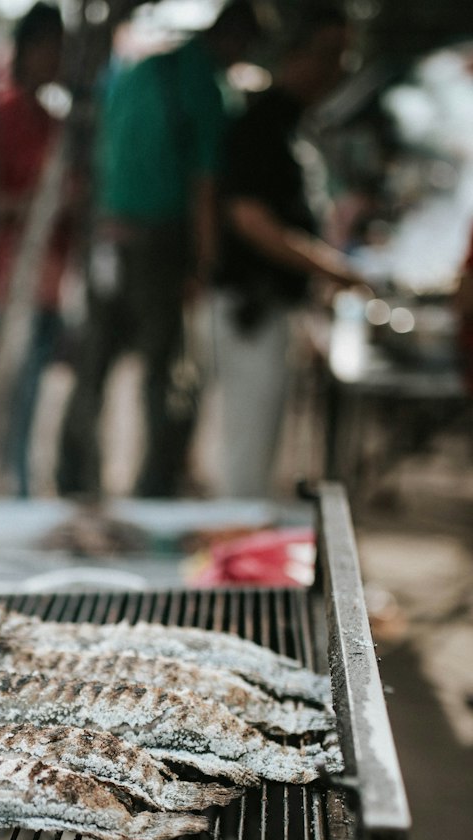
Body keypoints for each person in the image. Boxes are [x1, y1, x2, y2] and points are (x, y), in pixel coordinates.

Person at [56, 1, 264, 500]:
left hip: (109, 235)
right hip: (158, 240)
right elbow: (205, 185)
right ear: (233, 40)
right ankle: (156, 488)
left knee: (96, 366)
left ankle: (76, 479)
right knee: (166, 374)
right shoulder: (203, 86)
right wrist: (205, 266)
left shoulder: (138, 71)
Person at [211, 5, 370, 498]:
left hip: (274, 310)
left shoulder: (294, 125)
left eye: (343, 56)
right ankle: (237, 566)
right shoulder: (261, 123)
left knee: (263, 455)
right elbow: (249, 219)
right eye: (326, 55)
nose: (335, 69)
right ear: (294, 54)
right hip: (248, 308)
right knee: (247, 457)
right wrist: (328, 267)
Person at [0, 2, 73, 496]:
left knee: (37, 401)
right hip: (10, 282)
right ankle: (12, 494)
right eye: (52, 49)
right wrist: (38, 205)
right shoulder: (4, 117)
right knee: (11, 404)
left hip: (51, 284)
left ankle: (26, 490)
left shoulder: (55, 121)